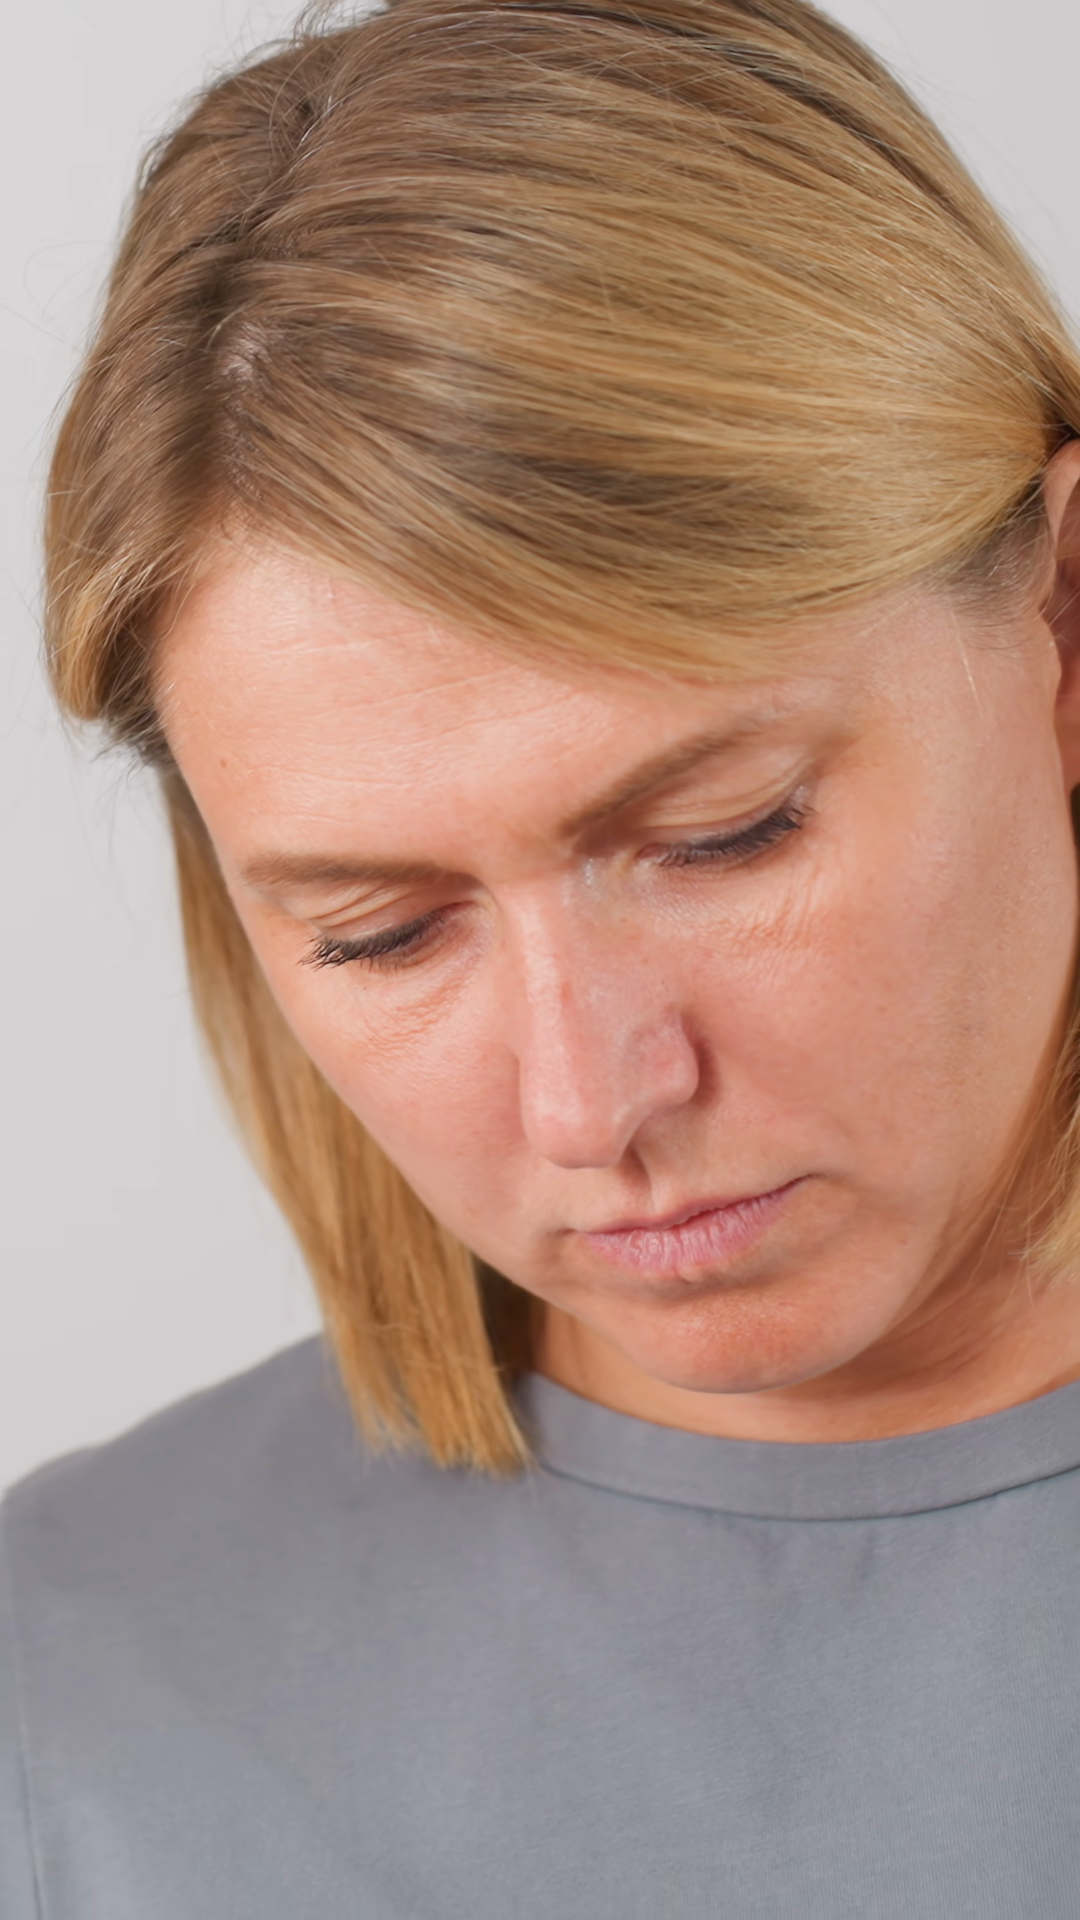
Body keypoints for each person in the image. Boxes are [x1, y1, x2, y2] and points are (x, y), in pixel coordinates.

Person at [4, 0, 1080, 1909]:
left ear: (1065, 629)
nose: (593, 1103)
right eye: (382, 933)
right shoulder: (70, 1698)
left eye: (722, 833)